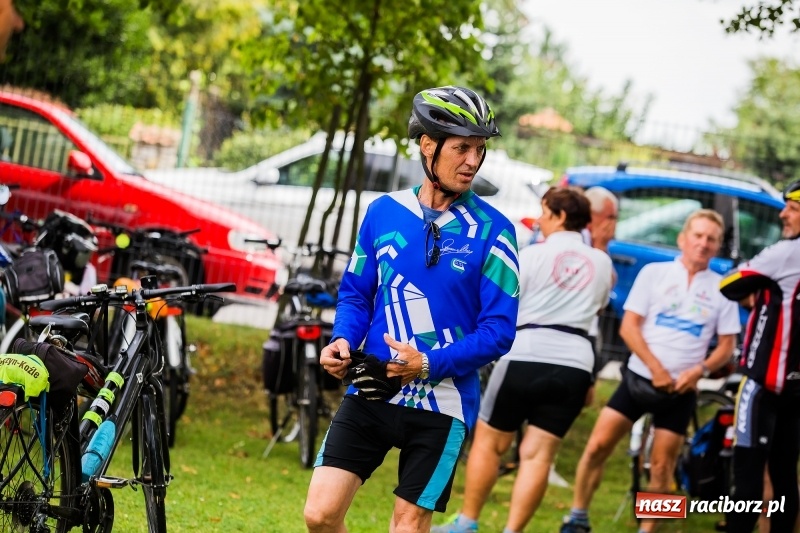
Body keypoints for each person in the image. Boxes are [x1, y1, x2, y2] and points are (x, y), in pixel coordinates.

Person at [304, 86, 520, 533]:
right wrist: (343, 338)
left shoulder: (495, 231)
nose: (472, 161)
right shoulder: (384, 212)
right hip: (373, 387)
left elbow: (499, 330)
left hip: (443, 402)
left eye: (479, 149)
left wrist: (427, 363)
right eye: (462, 148)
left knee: (407, 525)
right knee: (321, 515)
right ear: (427, 145)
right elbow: (357, 293)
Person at [432, 187, 613, 533]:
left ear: (560, 216)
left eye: (545, 212)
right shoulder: (603, 263)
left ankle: (467, 523)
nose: (541, 219)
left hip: (525, 354)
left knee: (489, 443)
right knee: (539, 455)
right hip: (575, 364)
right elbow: (599, 308)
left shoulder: (529, 255)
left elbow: (503, 301)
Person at [561, 208, 741, 533]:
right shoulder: (654, 273)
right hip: (639, 379)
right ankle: (577, 516)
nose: (703, 244)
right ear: (682, 239)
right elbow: (629, 327)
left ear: (717, 247)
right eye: (698, 236)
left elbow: (727, 346)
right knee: (597, 446)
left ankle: (649, 529)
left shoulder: (722, 287)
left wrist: (698, 371)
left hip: (682, 390)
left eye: (711, 239)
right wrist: (656, 368)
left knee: (663, 466)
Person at [719, 180, 800, 533]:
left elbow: (730, 284)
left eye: (793, 209)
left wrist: (765, 286)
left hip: (764, 386)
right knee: (785, 476)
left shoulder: (785, 253)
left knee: (748, 478)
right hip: (797, 391)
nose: (784, 214)